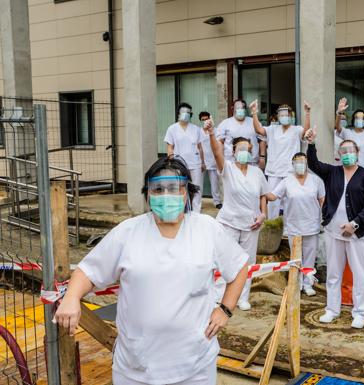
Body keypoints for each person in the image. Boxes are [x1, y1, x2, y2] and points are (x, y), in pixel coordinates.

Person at [53, 156, 249, 385]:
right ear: (148, 194)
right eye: (158, 189)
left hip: (195, 366)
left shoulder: (206, 229)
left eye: (174, 188)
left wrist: (225, 310)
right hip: (137, 369)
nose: (166, 195)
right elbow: (87, 272)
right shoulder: (128, 232)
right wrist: (72, 297)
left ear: (186, 192)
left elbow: (239, 267)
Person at [305, 128, 364, 329]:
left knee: (360, 274)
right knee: (334, 273)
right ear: (339, 155)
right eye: (343, 151)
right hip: (334, 232)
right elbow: (313, 164)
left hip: (358, 234)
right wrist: (311, 144)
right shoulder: (333, 172)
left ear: (357, 153)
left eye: (350, 151)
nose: (347, 154)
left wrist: (354, 224)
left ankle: (360, 312)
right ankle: (332, 309)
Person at [208, 122, 269, 311]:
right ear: (233, 151)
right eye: (240, 148)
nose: (244, 151)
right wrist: (211, 133)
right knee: (224, 258)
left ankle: (242, 297)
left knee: (248, 262)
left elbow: (263, 195)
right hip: (229, 222)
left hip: (251, 224)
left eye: (247, 149)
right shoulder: (227, 169)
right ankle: (219, 296)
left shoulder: (257, 172)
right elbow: (217, 153)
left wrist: (263, 215)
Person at [266, 152, 325, 296]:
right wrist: (259, 189)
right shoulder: (287, 181)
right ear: (292, 164)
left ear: (306, 164)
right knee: (296, 257)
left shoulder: (316, 181)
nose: (300, 164)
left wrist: (324, 219)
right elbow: (273, 196)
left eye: (303, 161)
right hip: (294, 226)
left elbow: (322, 200)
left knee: (310, 256)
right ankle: (296, 283)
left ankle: (307, 283)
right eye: (297, 161)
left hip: (312, 224)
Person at [250, 101, 310, 219]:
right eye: (281, 115)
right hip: (274, 171)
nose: (284, 117)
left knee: (291, 200)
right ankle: (273, 225)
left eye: (286, 115)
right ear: (278, 116)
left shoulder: (296, 129)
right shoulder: (272, 129)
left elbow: (306, 131)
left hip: (290, 171)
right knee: (273, 202)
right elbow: (258, 130)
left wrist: (307, 113)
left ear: (290, 116)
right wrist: (254, 113)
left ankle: (289, 228)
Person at [164, 103, 206, 212]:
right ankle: (181, 210)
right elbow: (170, 147)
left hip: (195, 164)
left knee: (196, 189)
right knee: (180, 188)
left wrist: (203, 162)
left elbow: (200, 148)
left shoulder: (196, 129)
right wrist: (171, 162)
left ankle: (196, 212)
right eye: (184, 112)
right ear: (178, 113)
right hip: (179, 164)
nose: (186, 114)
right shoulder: (172, 129)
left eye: (189, 113)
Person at [334, 97, 364, 175]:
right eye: (357, 118)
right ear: (353, 120)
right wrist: (339, 113)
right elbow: (338, 127)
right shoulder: (347, 132)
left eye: (362, 119)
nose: (360, 120)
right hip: (349, 169)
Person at [216, 99, 263, 168]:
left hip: (252, 162)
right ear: (233, 109)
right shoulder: (225, 123)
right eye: (238, 108)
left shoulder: (254, 122)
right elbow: (220, 142)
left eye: (242, 108)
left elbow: (262, 139)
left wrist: (262, 157)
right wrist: (221, 160)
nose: (240, 110)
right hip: (231, 162)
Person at [199, 112, 222, 209]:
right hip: (201, 161)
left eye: (206, 119)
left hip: (213, 161)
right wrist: (201, 161)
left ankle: (217, 202)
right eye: (203, 120)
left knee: (214, 183)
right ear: (200, 121)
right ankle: (197, 203)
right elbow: (198, 147)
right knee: (198, 183)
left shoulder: (215, 131)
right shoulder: (198, 131)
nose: (205, 121)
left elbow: (219, 145)